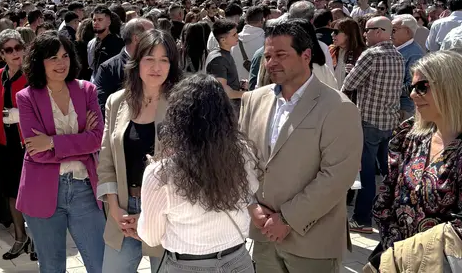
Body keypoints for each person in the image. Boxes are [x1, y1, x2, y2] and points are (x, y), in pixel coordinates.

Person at [242, 20, 362, 272]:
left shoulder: (337, 107)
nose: (272, 62)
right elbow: (241, 159)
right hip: (264, 235)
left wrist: (287, 219)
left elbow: (337, 176)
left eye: (281, 55)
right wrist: (252, 206)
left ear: (306, 55)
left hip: (313, 240)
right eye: (268, 56)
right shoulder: (253, 100)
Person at [138, 74, 258, 273]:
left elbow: (151, 237)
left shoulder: (161, 174)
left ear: (177, 119)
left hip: (187, 266)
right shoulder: (243, 154)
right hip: (238, 261)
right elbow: (251, 192)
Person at [16, 31, 106, 273]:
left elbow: (97, 139)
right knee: (52, 267)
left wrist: (52, 142)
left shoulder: (86, 90)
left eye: (65, 56)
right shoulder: (26, 97)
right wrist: (80, 142)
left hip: (84, 188)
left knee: (100, 263)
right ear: (39, 62)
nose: (61, 63)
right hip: (42, 190)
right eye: (53, 57)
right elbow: (36, 151)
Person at [98, 30, 180, 272]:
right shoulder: (116, 102)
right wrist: (115, 209)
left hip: (167, 215)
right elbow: (106, 160)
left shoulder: (182, 103)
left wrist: (150, 215)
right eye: (149, 59)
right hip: (123, 211)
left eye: (164, 60)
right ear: (137, 61)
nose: (156, 67)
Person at [371, 51, 462, 269]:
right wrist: (395, 250)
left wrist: (417, 255)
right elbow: (387, 196)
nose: (412, 95)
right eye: (411, 87)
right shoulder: (409, 135)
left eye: (422, 87)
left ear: (450, 87)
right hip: (395, 259)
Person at [343, 16, 405, 234]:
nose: (364, 34)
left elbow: (349, 84)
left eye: (367, 30)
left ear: (379, 31)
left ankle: (362, 219)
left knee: (366, 174)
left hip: (369, 121)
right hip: (389, 121)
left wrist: (350, 70)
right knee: (389, 173)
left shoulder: (371, 55)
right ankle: (393, 213)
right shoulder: (398, 55)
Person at [0, 30, 33, 260]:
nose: (15, 53)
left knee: (33, 192)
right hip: (4, 144)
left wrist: (18, 115)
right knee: (11, 192)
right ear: (2, 54)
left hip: (30, 143)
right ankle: (20, 236)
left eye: (18, 48)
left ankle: (37, 239)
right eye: (9, 50)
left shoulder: (34, 75)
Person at [94, 18, 154, 112]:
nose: (156, 39)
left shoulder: (158, 64)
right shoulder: (108, 68)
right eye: (152, 35)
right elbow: (100, 105)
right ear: (136, 38)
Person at [391, 15, 424, 121]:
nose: (390, 32)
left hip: (403, 109)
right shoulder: (396, 48)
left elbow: (412, 86)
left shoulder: (415, 54)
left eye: (394, 29)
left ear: (407, 31)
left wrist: (386, 89)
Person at [206, 19, 244, 103]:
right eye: (234, 35)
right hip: (226, 107)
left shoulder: (223, 54)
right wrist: (250, 94)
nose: (237, 36)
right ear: (223, 40)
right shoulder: (219, 59)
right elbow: (224, 92)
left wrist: (239, 84)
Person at [329, 18, 366, 89]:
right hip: (332, 94)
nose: (332, 34)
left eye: (336, 32)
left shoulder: (363, 54)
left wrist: (357, 73)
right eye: (332, 31)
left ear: (348, 34)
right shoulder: (331, 50)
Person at [88, 5, 124, 79]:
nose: (96, 23)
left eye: (100, 20)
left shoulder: (116, 43)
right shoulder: (96, 42)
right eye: (94, 20)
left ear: (108, 22)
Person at [231, 6, 265, 81]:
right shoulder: (266, 41)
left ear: (245, 20)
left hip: (238, 84)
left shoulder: (232, 40)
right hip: (258, 85)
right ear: (262, 21)